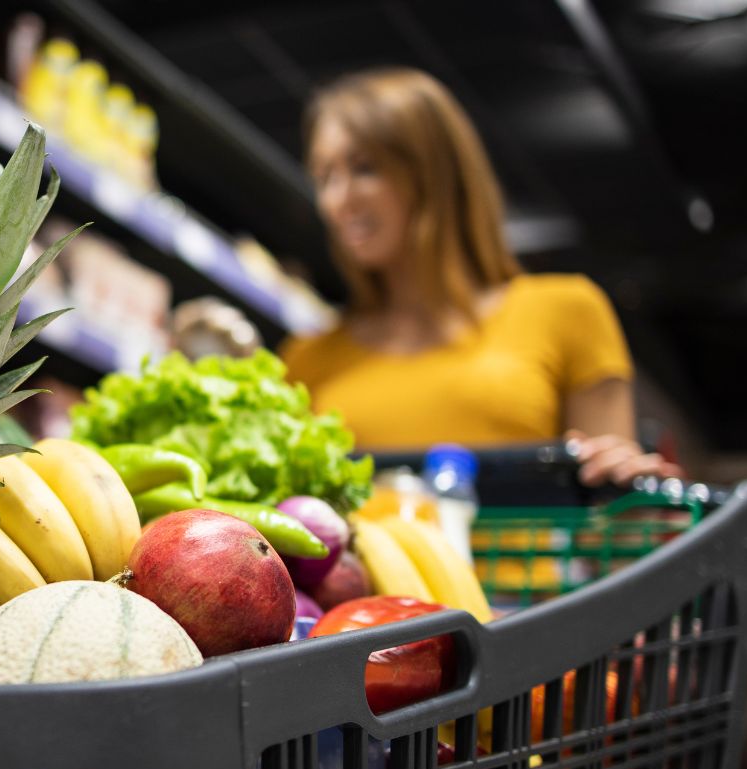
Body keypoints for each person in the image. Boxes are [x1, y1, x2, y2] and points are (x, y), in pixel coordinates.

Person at [280, 67, 680, 486]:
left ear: (435, 172)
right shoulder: (306, 360)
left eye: (364, 168)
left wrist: (627, 485)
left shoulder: (566, 310)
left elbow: (612, 527)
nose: (338, 200)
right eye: (325, 177)